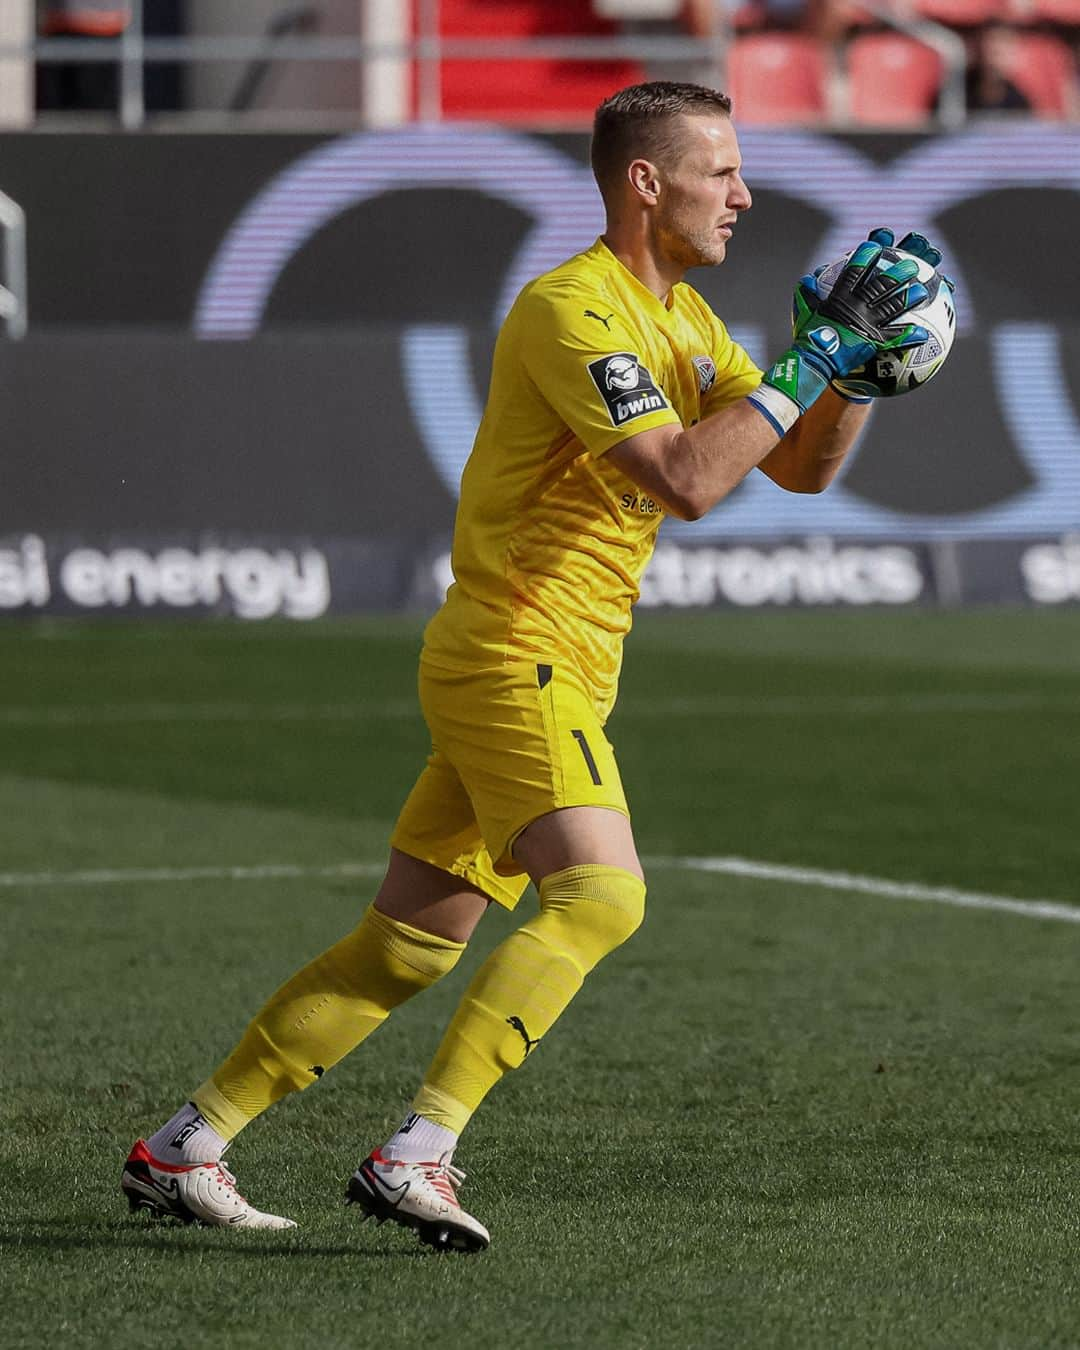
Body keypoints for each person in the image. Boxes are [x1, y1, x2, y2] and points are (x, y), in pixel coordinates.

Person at [121, 80, 941, 1253]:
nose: (745, 195)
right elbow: (688, 481)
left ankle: (184, 1146)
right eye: (723, 172)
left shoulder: (690, 324)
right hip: (518, 648)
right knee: (603, 896)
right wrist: (809, 363)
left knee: (407, 946)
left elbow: (796, 468)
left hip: (547, 660)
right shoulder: (573, 311)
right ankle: (420, 1150)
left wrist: (856, 374)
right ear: (646, 183)